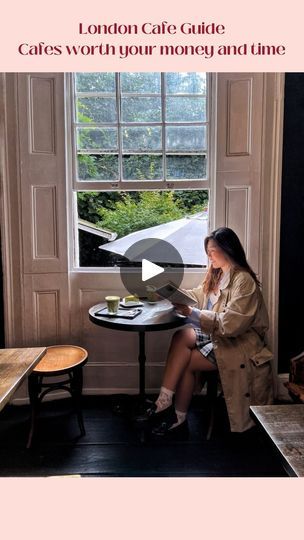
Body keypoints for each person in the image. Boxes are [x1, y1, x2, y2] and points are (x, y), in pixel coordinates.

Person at [147, 227, 274, 439]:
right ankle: (165, 400)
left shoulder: (244, 281)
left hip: (239, 343)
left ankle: (176, 415)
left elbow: (231, 325)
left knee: (186, 361)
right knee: (182, 335)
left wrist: (190, 311)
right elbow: (197, 296)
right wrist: (173, 295)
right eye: (207, 251)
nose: (209, 256)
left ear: (228, 250)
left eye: (213, 251)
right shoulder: (217, 274)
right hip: (220, 337)